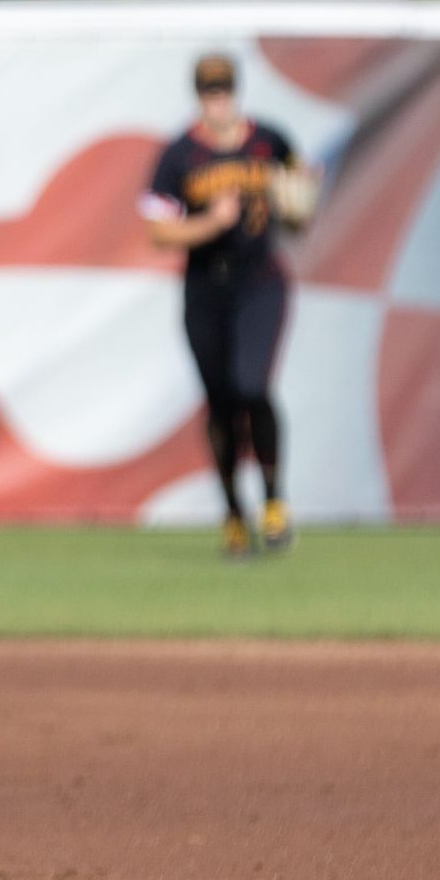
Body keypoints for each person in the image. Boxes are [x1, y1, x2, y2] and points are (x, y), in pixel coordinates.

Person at [140, 52, 306, 557]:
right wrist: (212, 221)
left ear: (237, 91)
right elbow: (157, 230)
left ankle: (274, 502)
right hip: (206, 286)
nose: (219, 100)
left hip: (259, 280)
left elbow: (299, 210)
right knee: (220, 400)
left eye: (225, 89)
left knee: (251, 385)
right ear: (199, 96)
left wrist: (298, 203)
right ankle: (235, 513)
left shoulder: (269, 142)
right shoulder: (180, 155)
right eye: (210, 92)